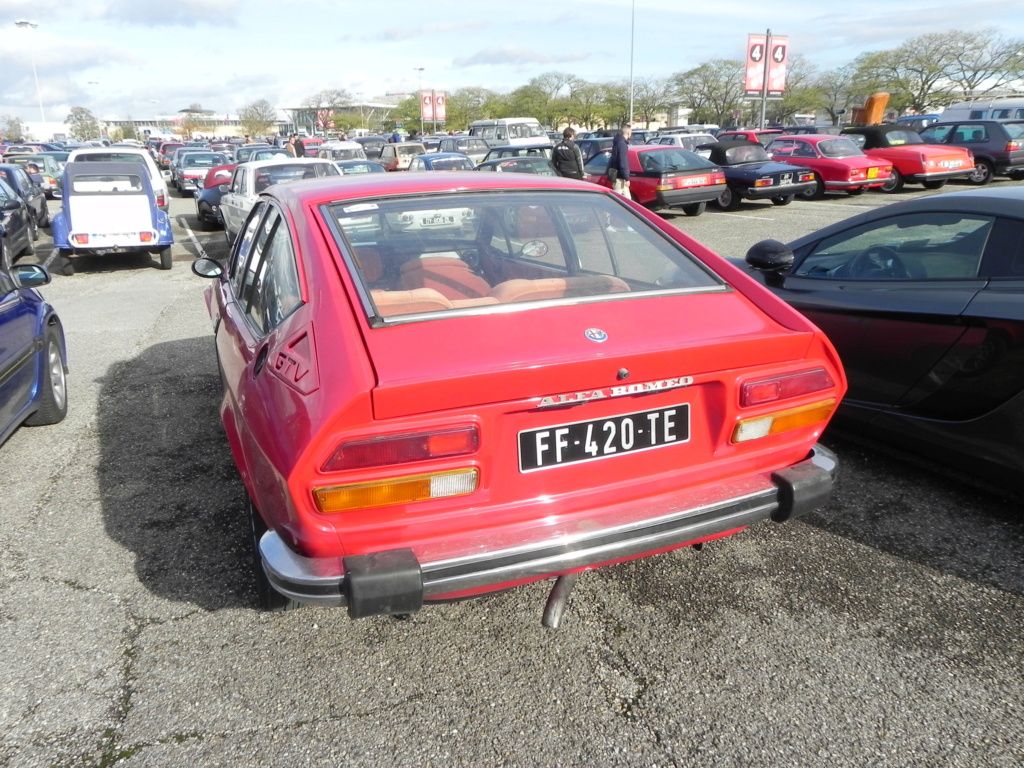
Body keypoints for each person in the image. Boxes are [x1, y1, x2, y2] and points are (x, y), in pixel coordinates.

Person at [607, 123, 632, 196]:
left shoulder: (618, 142)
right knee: (617, 199)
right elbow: (622, 162)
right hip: (620, 178)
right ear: (628, 133)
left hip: (620, 177)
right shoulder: (622, 144)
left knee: (628, 201)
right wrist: (626, 178)